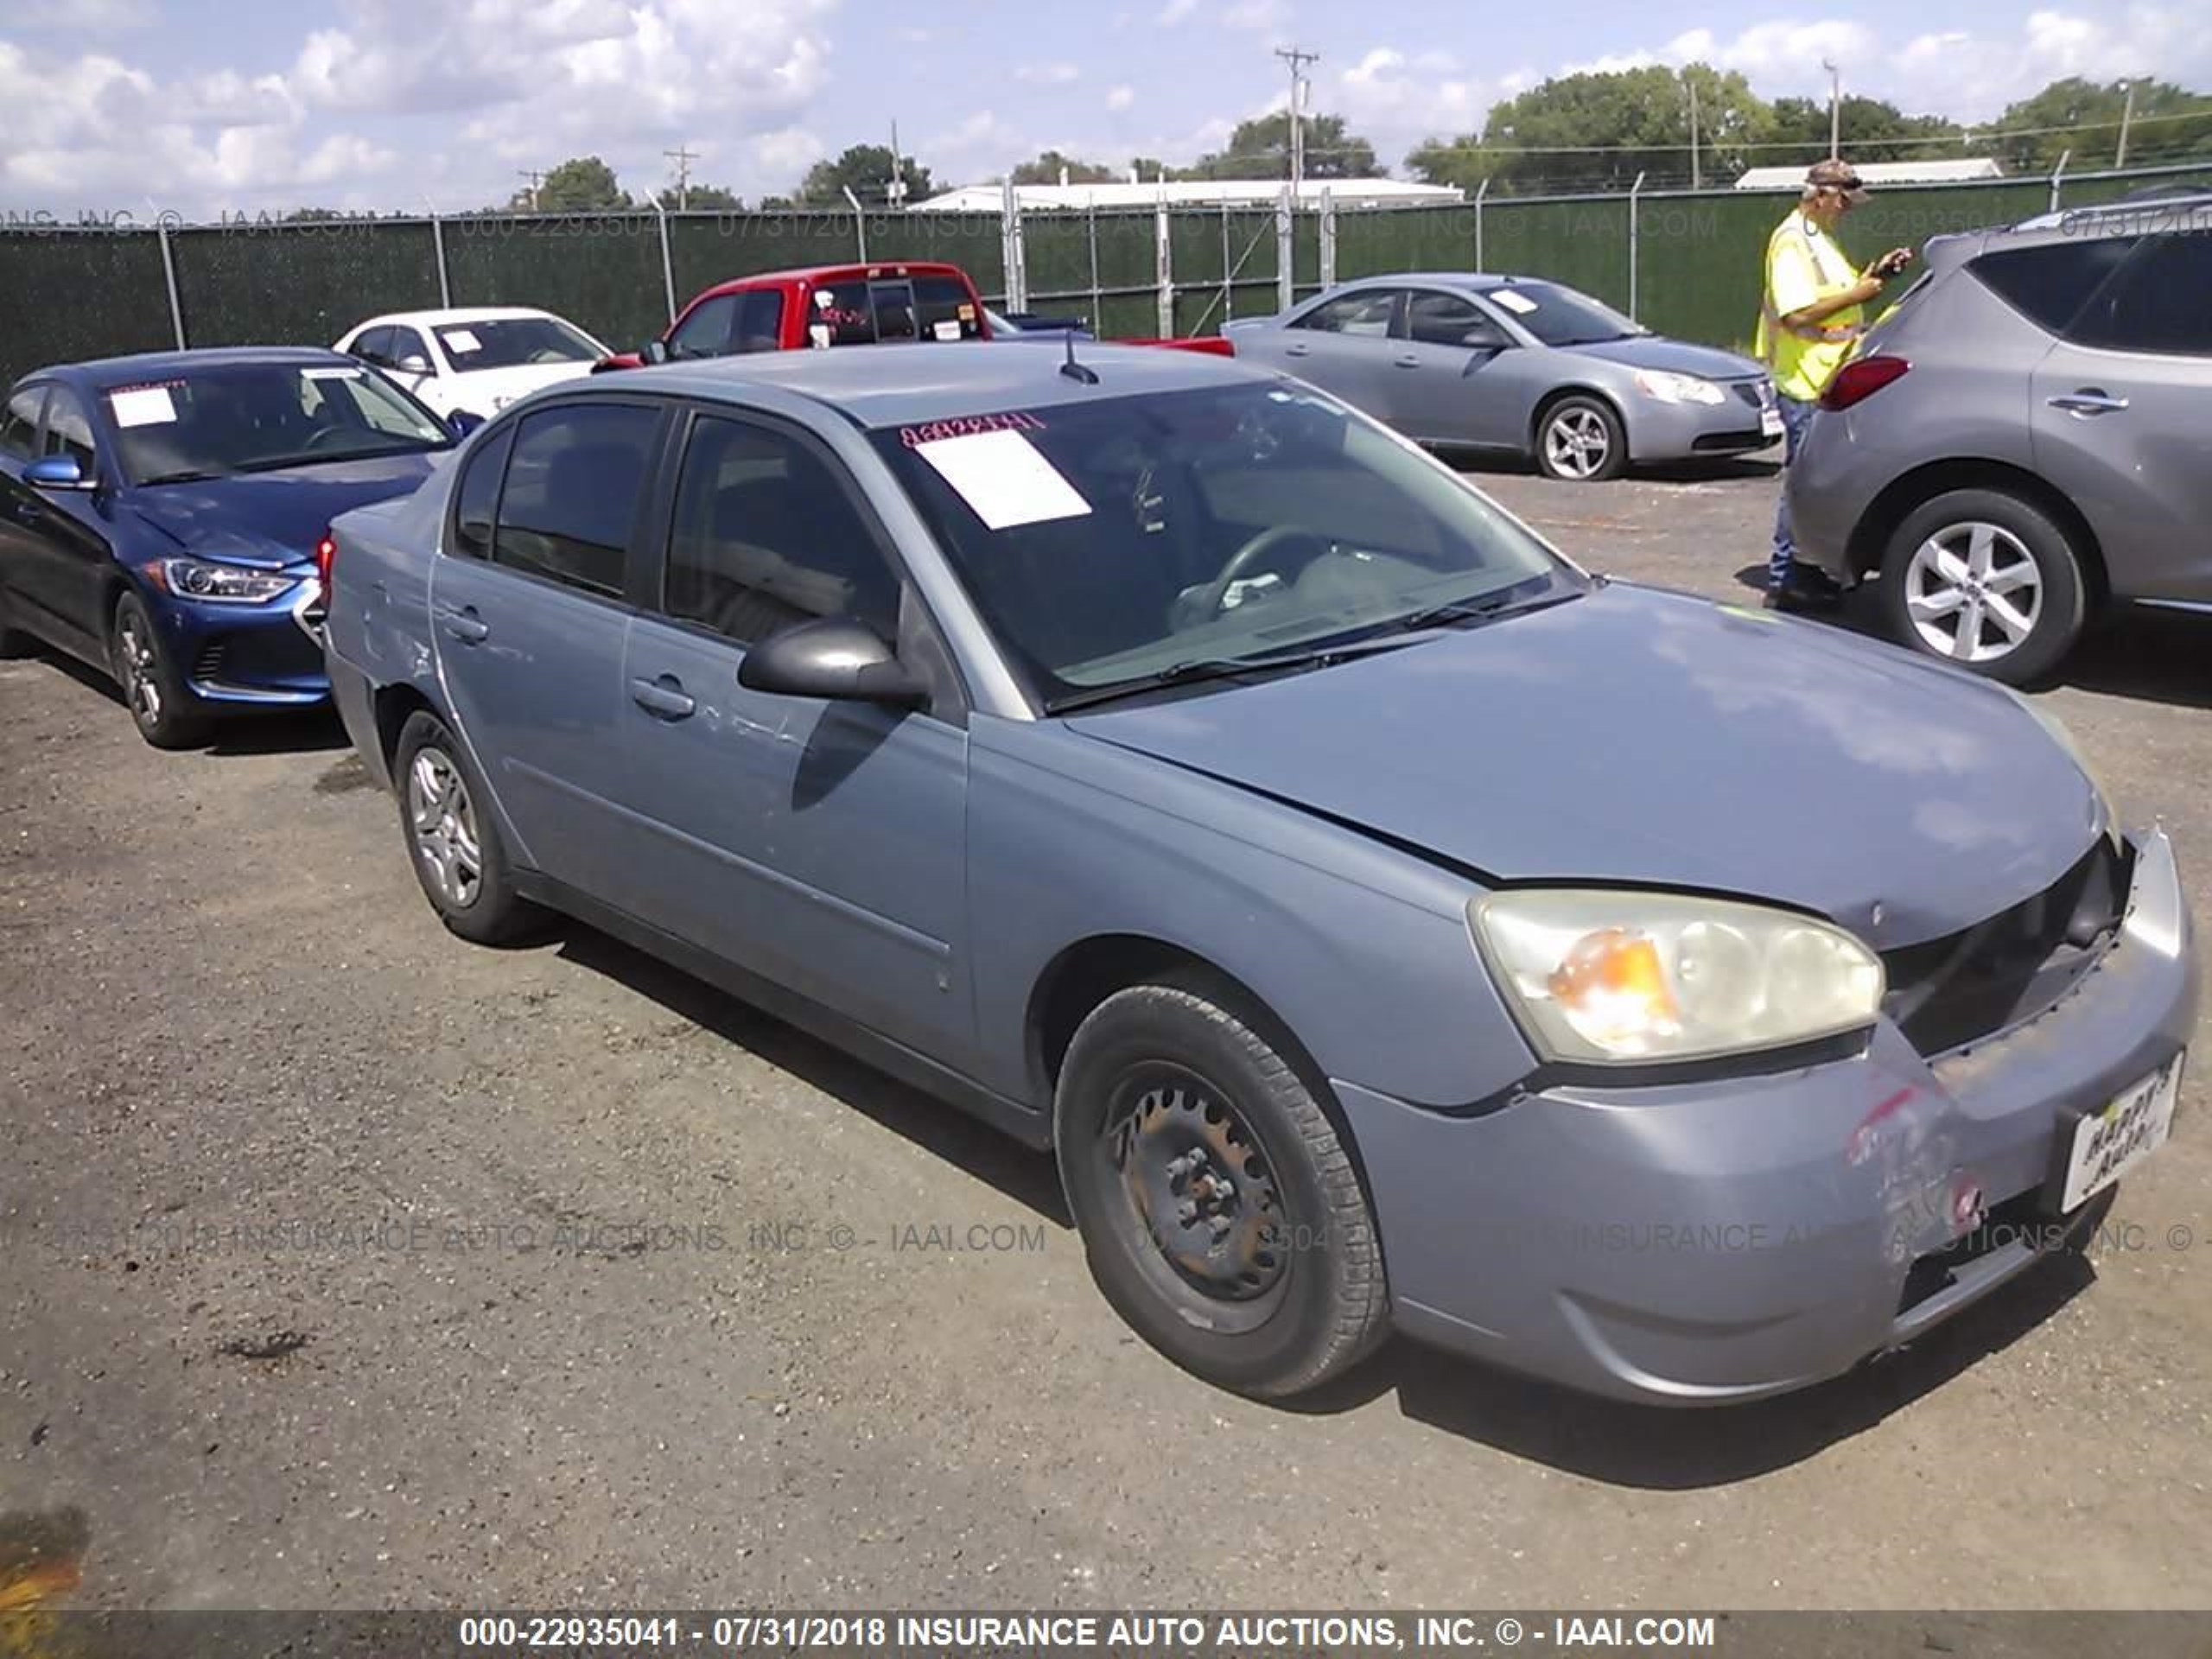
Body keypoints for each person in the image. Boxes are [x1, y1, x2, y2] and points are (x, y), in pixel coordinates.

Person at [1756, 158, 1913, 611]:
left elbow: (1834, 299)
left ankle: (1802, 574)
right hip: (1805, 380)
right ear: (1820, 195)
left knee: (1815, 482)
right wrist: (1858, 295)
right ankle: (1785, 581)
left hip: (1825, 377)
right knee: (1805, 484)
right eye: (1844, 199)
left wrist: (1876, 277)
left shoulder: (1818, 239)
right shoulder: (1790, 242)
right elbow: (1797, 314)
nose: (1847, 209)